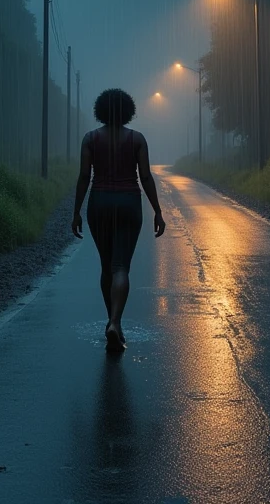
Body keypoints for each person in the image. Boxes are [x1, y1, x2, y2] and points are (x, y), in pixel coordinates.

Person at [71, 88, 166, 351]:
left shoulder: (90, 139)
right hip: (128, 204)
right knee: (121, 267)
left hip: (99, 203)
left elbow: (83, 177)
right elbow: (145, 177)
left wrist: (76, 211)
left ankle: (113, 322)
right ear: (128, 111)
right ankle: (115, 321)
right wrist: (157, 210)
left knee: (106, 266)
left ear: (100, 111)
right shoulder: (137, 140)